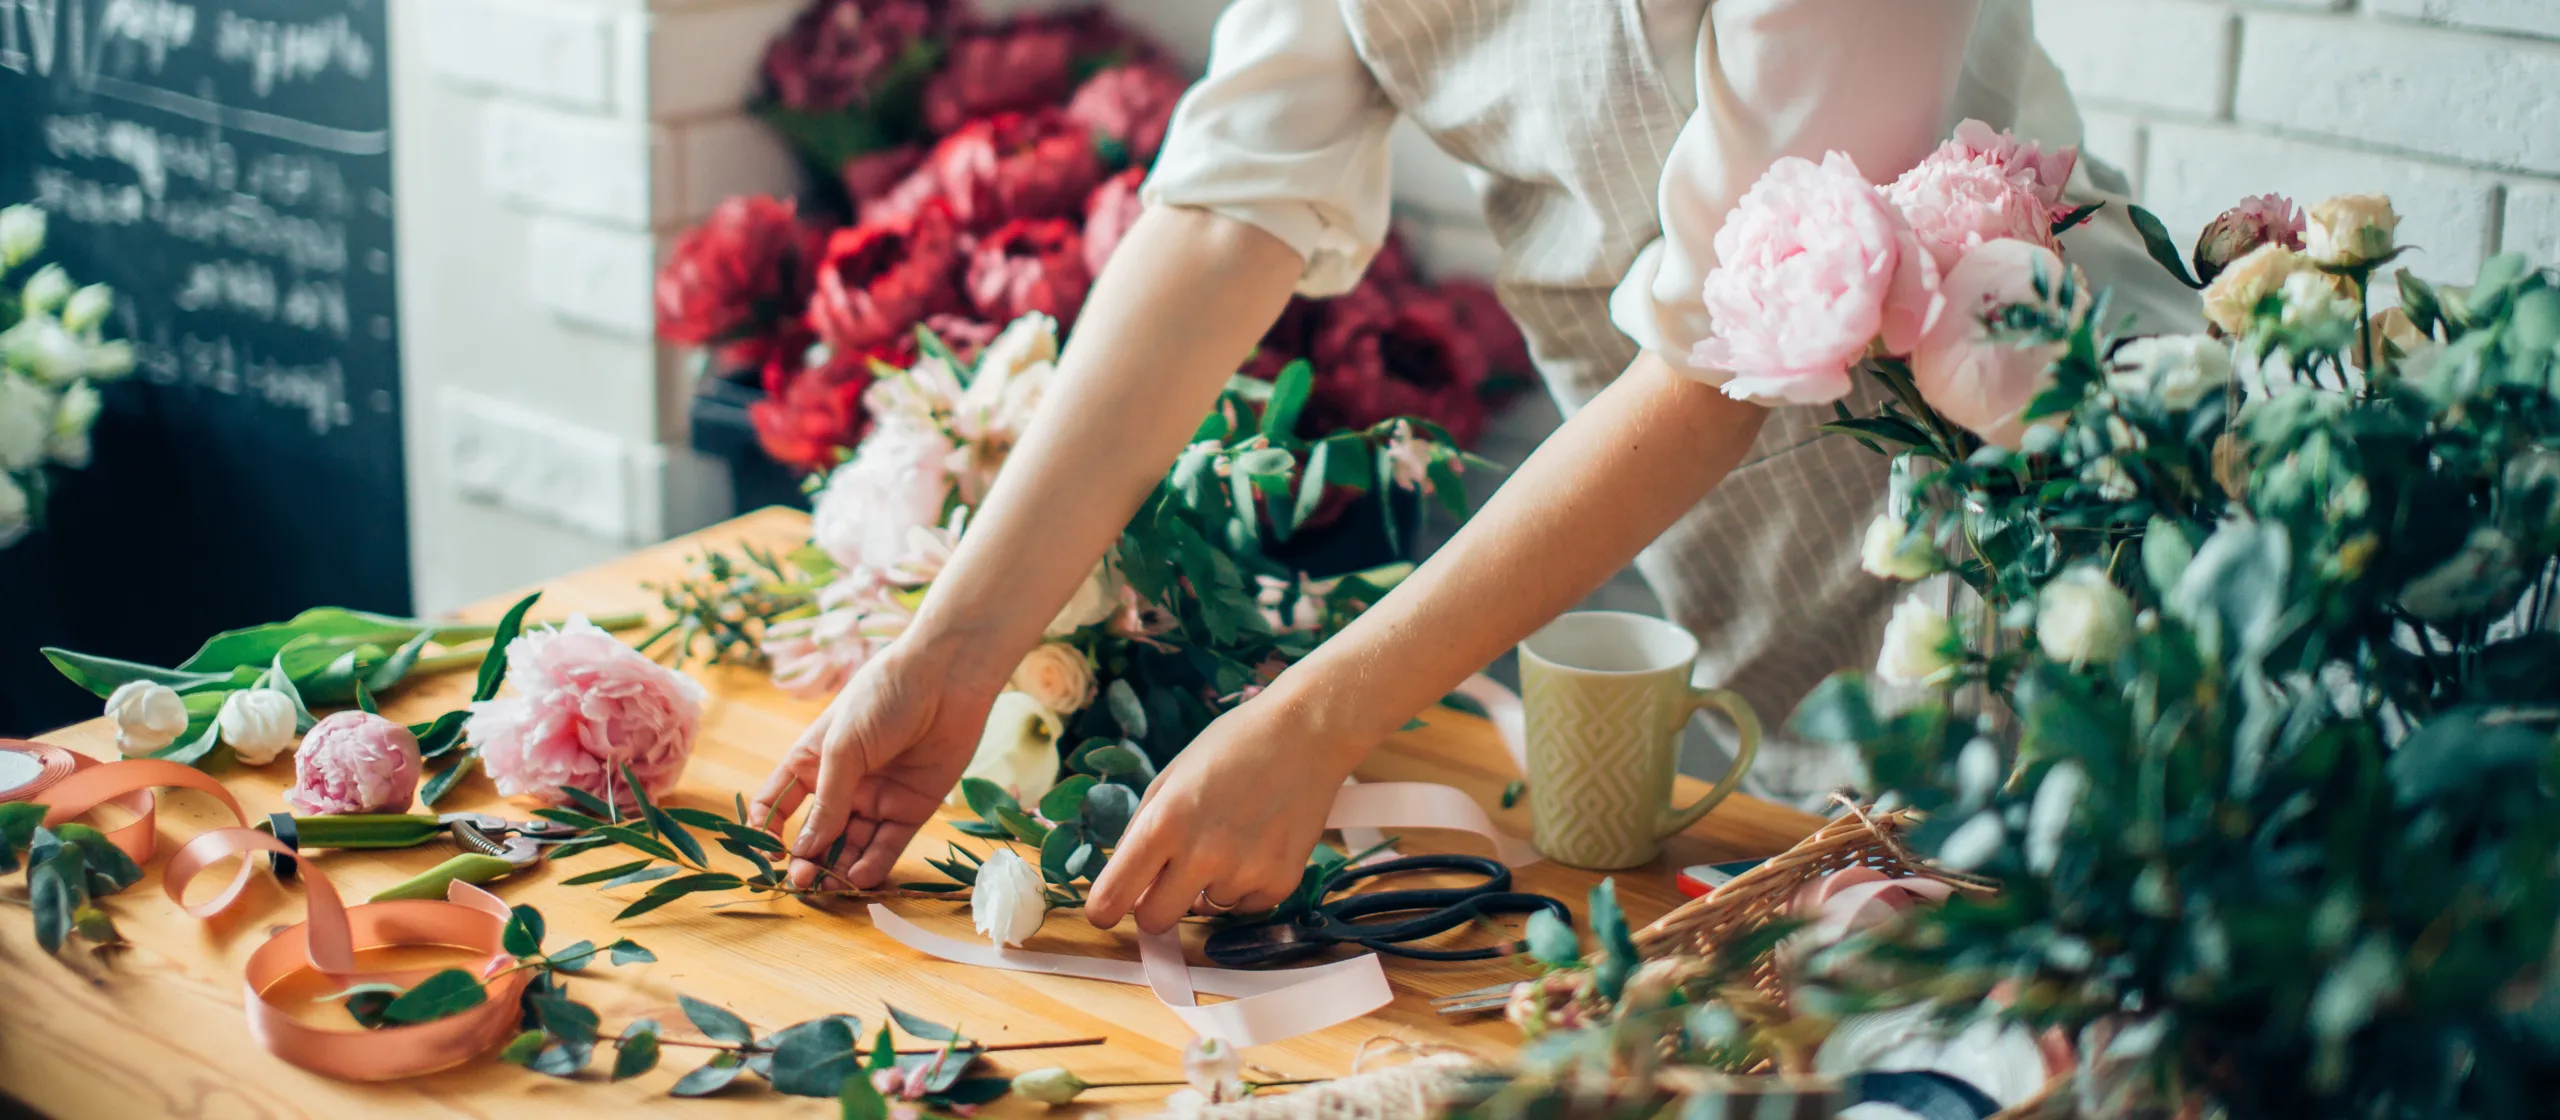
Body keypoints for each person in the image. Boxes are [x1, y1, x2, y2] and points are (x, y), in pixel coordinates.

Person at [750, 0, 2197, 933]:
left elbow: (1719, 359)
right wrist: (953, 650)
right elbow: (1221, 215)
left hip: (2056, 508)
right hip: (1757, 559)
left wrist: (1312, 722)